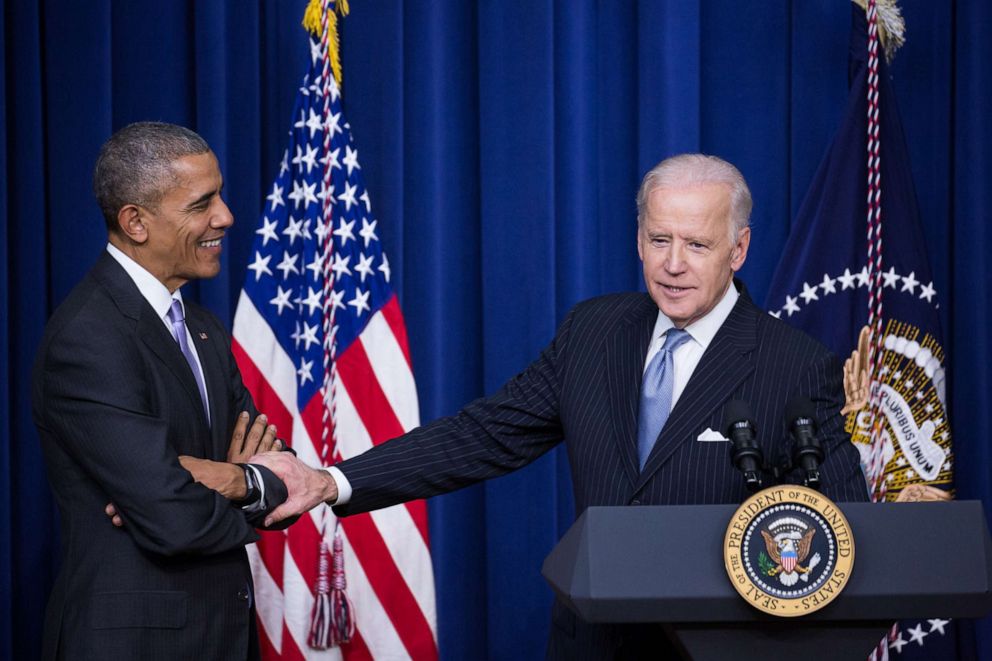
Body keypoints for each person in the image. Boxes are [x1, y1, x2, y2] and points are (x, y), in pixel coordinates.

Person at [250, 154, 870, 658]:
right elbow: (485, 434)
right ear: (638, 238)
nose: (673, 265)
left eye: (697, 246)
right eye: (659, 240)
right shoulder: (594, 333)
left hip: (719, 649)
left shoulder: (796, 364)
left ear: (738, 250)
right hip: (590, 644)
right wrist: (331, 480)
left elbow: (836, 535)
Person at [33, 122, 292, 661]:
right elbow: (170, 516)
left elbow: (280, 468)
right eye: (202, 204)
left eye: (219, 195)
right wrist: (248, 484)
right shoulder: (87, 338)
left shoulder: (203, 328)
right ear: (136, 222)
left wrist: (229, 479)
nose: (226, 216)